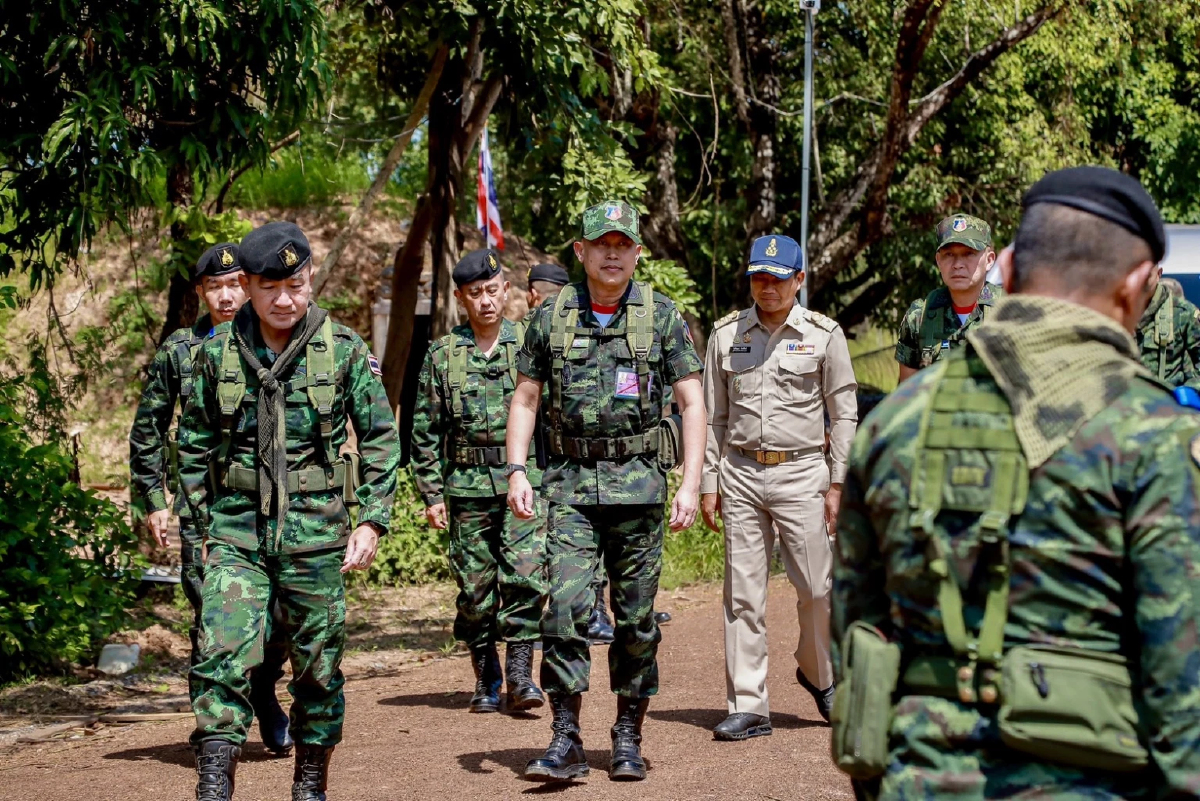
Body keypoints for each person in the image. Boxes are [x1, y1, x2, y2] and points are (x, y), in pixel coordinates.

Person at [833, 166, 1200, 799]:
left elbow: (859, 642)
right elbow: (1183, 686)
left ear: (1003, 262)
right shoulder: (1156, 435)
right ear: (1140, 284)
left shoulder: (893, 424)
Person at [178, 222, 400, 801]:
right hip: (236, 533)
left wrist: (373, 518)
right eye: (270, 286)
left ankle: (309, 784)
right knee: (220, 656)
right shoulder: (214, 354)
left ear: (309, 281)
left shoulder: (344, 349)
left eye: (296, 284)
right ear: (248, 285)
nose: (284, 299)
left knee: (317, 668)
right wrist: (197, 527)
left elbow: (379, 438)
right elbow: (195, 442)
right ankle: (213, 786)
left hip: (316, 535)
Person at [505, 200, 705, 783]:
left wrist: (691, 482)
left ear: (638, 252)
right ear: (582, 251)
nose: (612, 253)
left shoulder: (662, 318)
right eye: (602, 244)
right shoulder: (551, 318)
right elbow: (525, 398)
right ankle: (565, 738)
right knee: (565, 610)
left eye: (623, 244)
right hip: (568, 487)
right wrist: (518, 470)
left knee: (636, 618)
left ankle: (627, 734)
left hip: (640, 488)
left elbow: (692, 402)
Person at [128, 244, 291, 754]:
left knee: (283, 614)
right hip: (207, 505)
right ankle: (214, 728)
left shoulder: (275, 337)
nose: (227, 295)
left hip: (273, 503)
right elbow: (148, 430)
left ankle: (262, 689)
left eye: (236, 284)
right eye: (215, 286)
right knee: (213, 619)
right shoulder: (180, 350)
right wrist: (155, 498)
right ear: (200, 291)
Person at [700, 234, 857, 740]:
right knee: (743, 593)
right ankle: (750, 703)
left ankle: (820, 674)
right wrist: (708, 481)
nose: (767, 287)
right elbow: (713, 418)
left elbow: (845, 413)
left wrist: (839, 481)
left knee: (817, 589)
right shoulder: (726, 335)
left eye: (778, 277)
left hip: (803, 473)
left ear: (799, 279)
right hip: (741, 472)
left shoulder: (824, 334)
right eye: (758, 277)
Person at [411, 249, 546, 714]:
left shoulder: (530, 344)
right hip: (466, 487)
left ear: (505, 292)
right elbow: (424, 430)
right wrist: (430, 493)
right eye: (476, 294)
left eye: (493, 291)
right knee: (475, 588)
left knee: (525, 575)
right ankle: (487, 674)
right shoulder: (443, 355)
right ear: (460, 298)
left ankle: (523, 676)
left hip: (522, 481)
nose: (486, 301)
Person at [895, 214, 1002, 382]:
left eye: (968, 253)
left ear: (989, 260)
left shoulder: (1010, 312)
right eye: (949, 254)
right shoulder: (919, 318)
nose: (958, 264)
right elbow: (906, 396)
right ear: (938, 261)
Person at [1135, 266, 1200, 389]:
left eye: (1147, 275)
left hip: (1166, 401)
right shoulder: (1118, 311)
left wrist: (1191, 389)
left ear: (1159, 274)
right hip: (1124, 401)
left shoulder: (1183, 313)